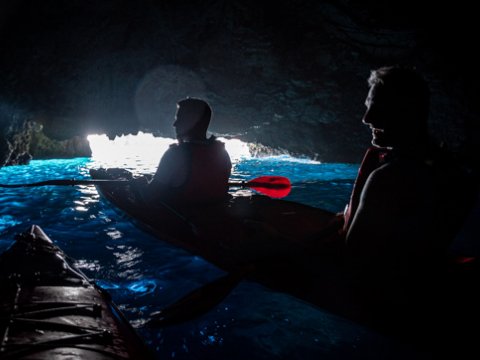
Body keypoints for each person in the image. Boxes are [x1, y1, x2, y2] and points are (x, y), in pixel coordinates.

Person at [140, 98, 232, 206]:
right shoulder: (222, 154)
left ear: (193, 122)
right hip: (216, 216)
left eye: (179, 118)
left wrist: (138, 185)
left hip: (180, 217)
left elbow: (150, 195)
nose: (175, 124)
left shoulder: (174, 155)